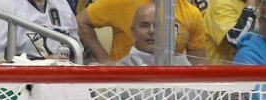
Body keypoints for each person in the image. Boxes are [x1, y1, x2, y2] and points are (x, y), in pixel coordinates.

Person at [76, 0, 205, 64]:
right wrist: (105, 61)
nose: (152, 31)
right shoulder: (120, 2)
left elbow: (198, 63)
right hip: (124, 82)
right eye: (144, 25)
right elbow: (80, 21)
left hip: (171, 84)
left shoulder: (192, 13)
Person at [0, 0, 79, 62]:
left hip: (64, 82)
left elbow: (76, 47)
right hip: (19, 90)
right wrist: (41, 65)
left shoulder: (62, 4)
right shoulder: (2, 5)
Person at [117, 3, 191, 65]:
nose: (151, 31)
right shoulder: (123, 67)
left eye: (157, 25)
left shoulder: (181, 63)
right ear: (133, 32)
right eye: (144, 25)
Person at [204, 0, 259, 65]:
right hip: (221, 72)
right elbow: (235, 39)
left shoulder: (261, 4)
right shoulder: (221, 4)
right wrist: (250, 7)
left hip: (253, 68)